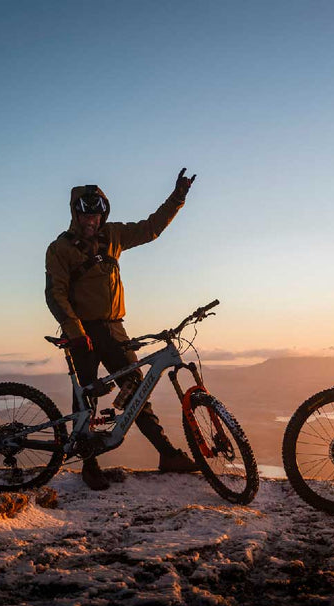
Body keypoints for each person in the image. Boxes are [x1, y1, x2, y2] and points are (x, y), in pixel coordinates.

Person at [45, 169, 198, 490]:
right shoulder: (60, 249)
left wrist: (178, 197)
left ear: (104, 214)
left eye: (97, 216)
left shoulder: (113, 236)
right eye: (85, 217)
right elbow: (55, 293)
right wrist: (74, 330)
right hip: (82, 334)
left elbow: (151, 229)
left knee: (136, 391)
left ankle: (167, 454)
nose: (91, 222)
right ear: (75, 214)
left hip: (114, 330)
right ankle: (89, 465)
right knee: (85, 400)